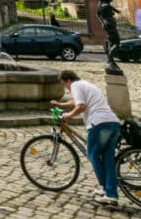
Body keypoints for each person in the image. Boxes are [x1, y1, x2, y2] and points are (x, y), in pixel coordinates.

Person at [51, 70, 121, 206]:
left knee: (92, 154)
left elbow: (81, 106)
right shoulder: (85, 84)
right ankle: (110, 193)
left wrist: (68, 115)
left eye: (64, 84)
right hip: (112, 123)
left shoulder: (76, 86)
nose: (65, 88)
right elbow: (76, 102)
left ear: (68, 81)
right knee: (107, 158)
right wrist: (61, 105)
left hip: (100, 124)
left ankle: (107, 189)